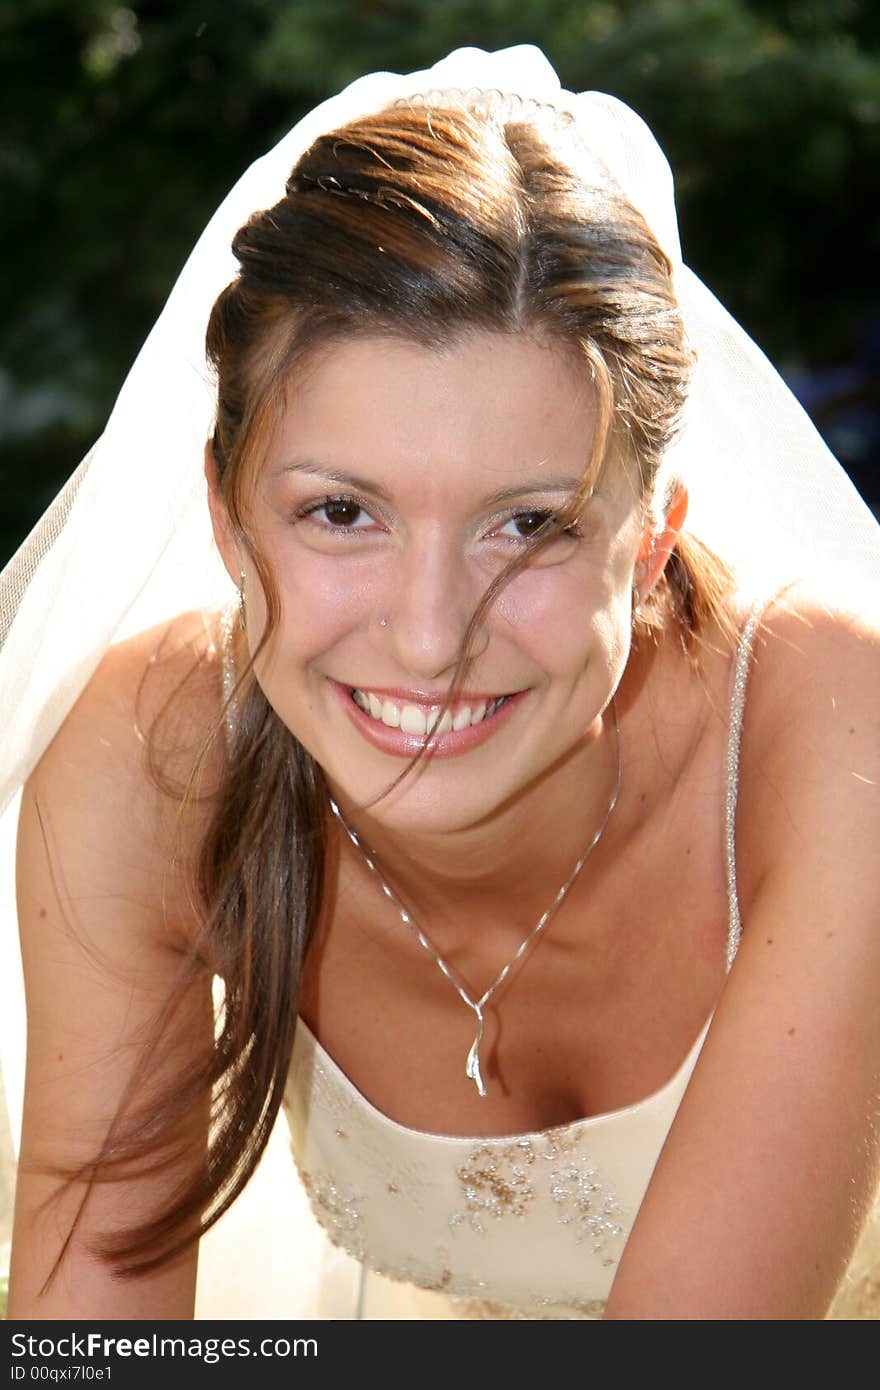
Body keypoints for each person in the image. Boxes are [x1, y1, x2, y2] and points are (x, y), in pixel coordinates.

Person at [2, 45, 879, 1321]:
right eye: (342, 512)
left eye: (527, 525)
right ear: (225, 518)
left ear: (652, 543)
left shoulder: (840, 739)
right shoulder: (155, 763)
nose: (427, 638)